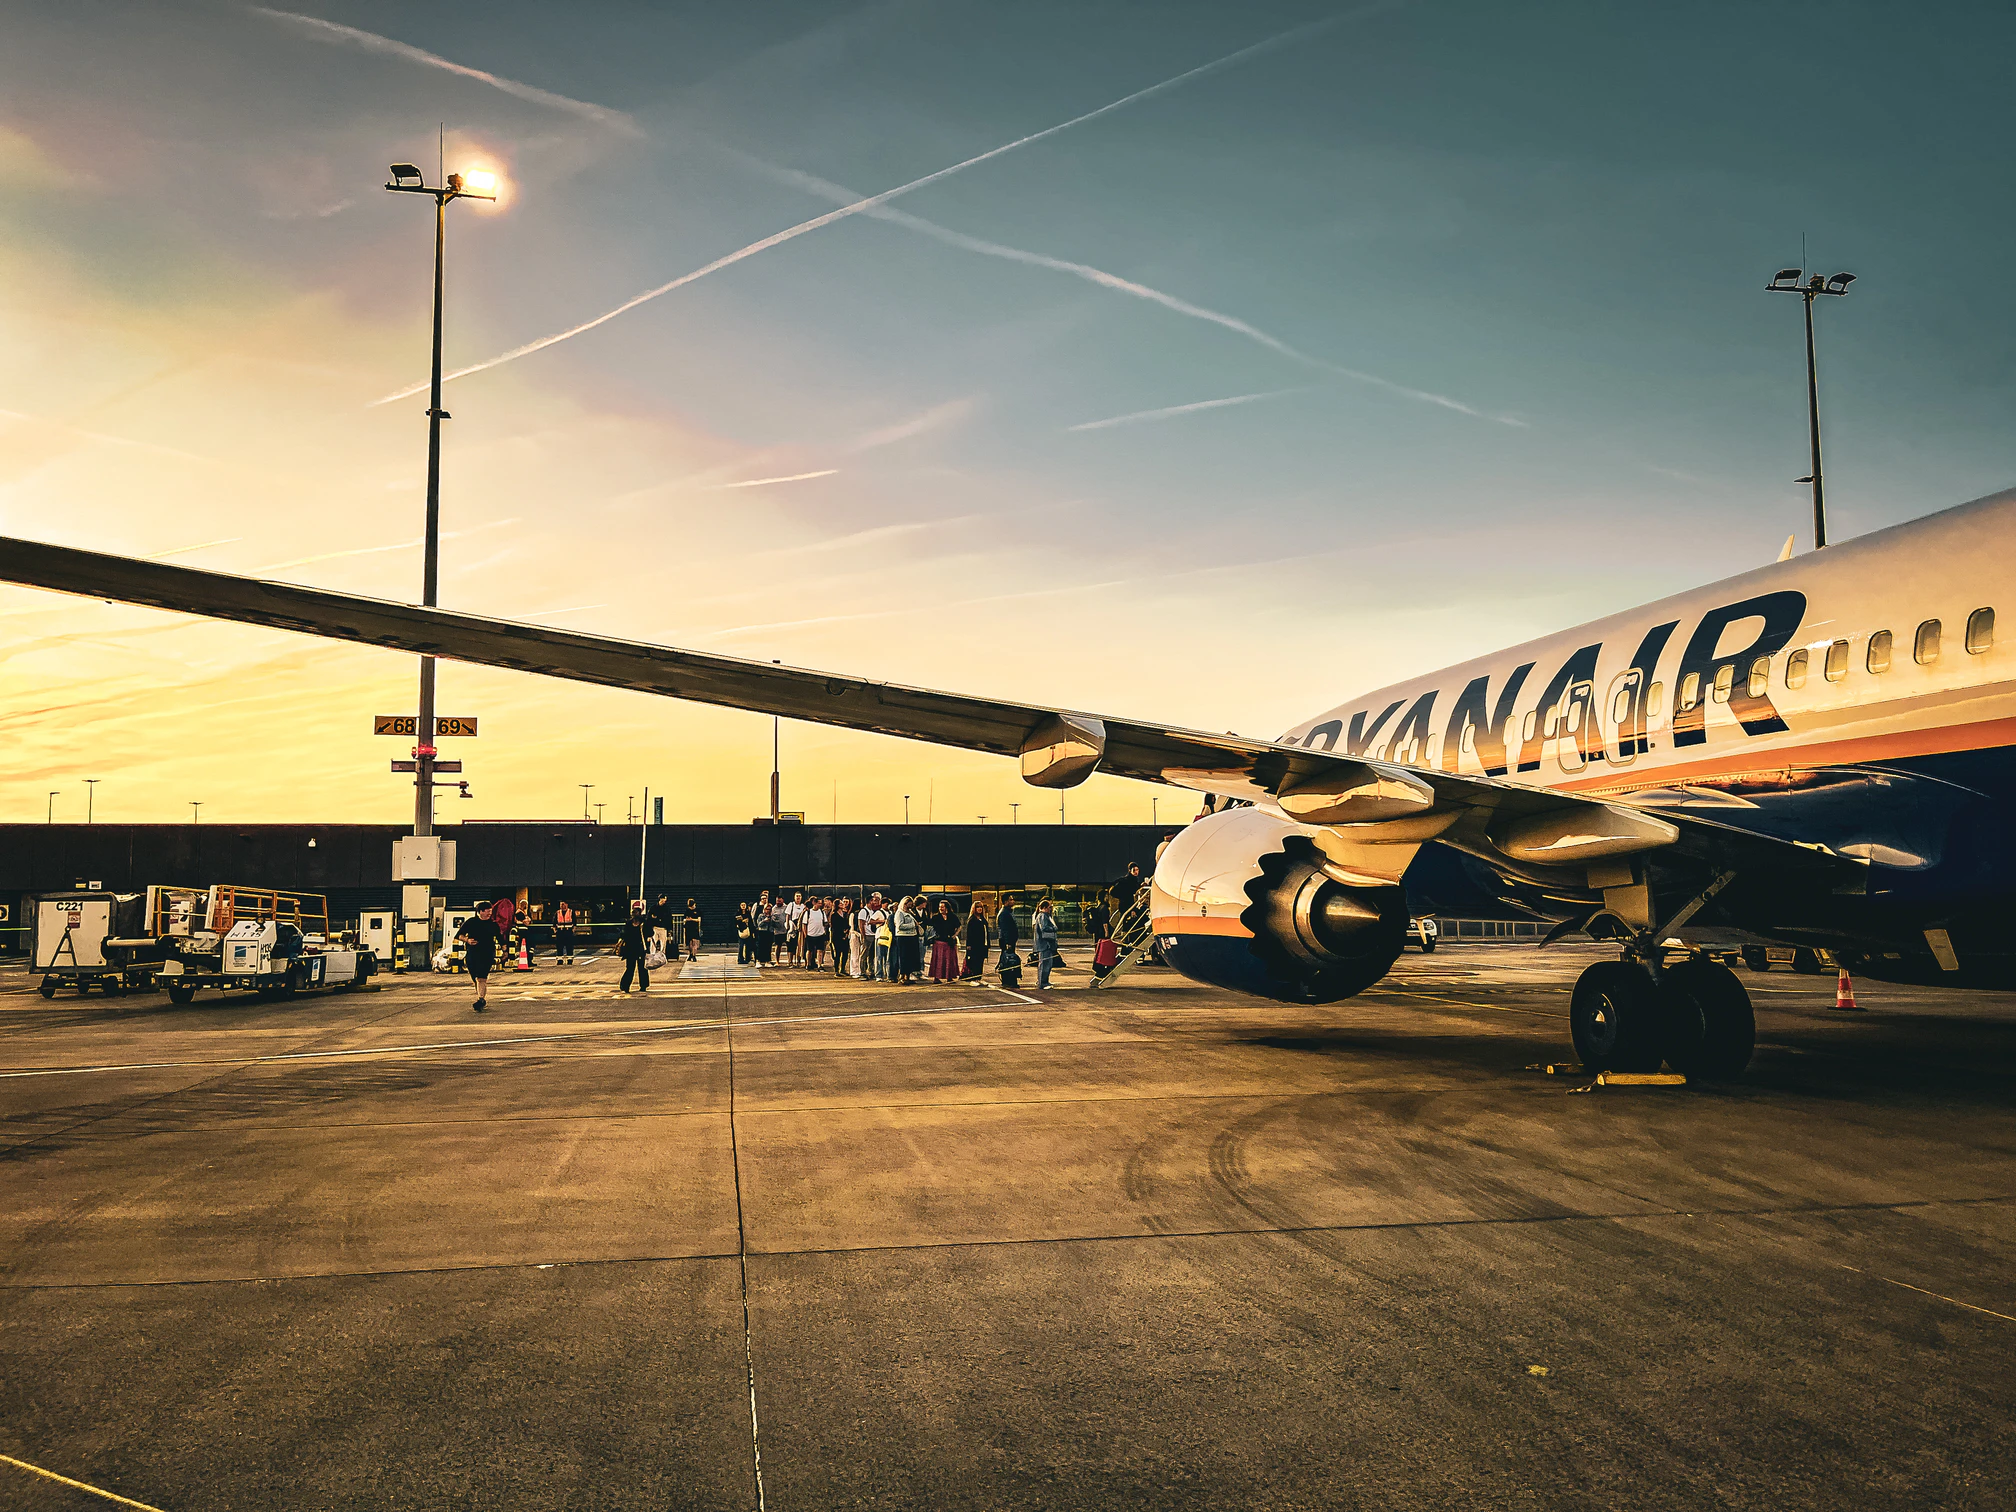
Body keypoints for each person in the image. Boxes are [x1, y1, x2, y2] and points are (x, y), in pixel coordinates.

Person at [455, 901, 505, 1012]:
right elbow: (459, 935)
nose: (489, 914)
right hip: (472, 953)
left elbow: (500, 938)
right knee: (475, 978)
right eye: (487, 912)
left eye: (490, 912)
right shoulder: (471, 922)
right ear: (480, 912)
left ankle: (481, 999)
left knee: (481, 978)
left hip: (487, 954)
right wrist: (467, 940)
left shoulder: (493, 925)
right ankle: (480, 997)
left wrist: (505, 951)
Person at [619, 903, 652, 993]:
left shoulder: (644, 923)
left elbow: (650, 932)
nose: (633, 915)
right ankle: (625, 986)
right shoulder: (629, 923)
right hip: (630, 948)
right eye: (632, 913)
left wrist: (648, 937)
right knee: (630, 968)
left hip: (641, 948)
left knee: (642, 968)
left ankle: (643, 985)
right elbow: (624, 934)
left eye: (635, 913)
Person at [927, 900, 960, 982]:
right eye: (939, 907)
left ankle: (949, 977)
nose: (940, 908)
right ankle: (936, 978)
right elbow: (929, 926)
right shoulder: (936, 917)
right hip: (939, 941)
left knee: (949, 960)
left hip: (949, 941)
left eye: (942, 907)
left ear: (947, 907)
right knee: (938, 960)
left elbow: (959, 926)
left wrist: (954, 935)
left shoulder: (952, 917)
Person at [1033, 897, 1061, 989]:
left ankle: (1044, 981)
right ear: (1044, 907)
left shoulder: (1044, 916)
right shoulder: (1042, 916)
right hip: (1045, 943)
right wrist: (1054, 928)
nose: (1051, 909)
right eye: (1049, 907)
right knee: (1044, 963)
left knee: (1047, 963)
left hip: (1045, 943)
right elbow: (1044, 928)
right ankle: (1042, 982)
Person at [892, 895, 921, 983]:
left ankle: (908, 976)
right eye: (907, 905)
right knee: (903, 957)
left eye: (910, 905)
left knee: (911, 957)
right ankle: (902, 975)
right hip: (903, 937)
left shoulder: (910, 913)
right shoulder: (899, 913)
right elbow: (899, 926)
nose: (908, 907)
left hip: (912, 937)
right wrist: (913, 925)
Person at [860, 894, 889, 980]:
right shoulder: (863, 911)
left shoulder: (872, 911)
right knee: (864, 954)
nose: (876, 902)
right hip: (867, 935)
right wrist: (863, 935)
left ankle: (870, 970)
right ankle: (862, 972)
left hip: (873, 934)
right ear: (869, 901)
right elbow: (861, 924)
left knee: (872, 955)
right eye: (874, 900)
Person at [963, 901, 989, 979]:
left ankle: (978, 976)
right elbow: (969, 934)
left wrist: (988, 944)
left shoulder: (983, 920)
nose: (979, 909)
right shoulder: (972, 920)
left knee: (981, 961)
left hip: (983, 944)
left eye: (980, 907)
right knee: (975, 961)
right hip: (975, 945)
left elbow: (986, 933)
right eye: (977, 907)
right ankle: (974, 976)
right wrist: (968, 945)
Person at [804, 895, 828, 969]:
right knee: (809, 950)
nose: (820, 905)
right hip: (810, 934)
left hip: (820, 934)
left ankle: (819, 965)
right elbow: (804, 924)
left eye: (821, 903)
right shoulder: (808, 912)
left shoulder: (822, 912)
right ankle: (808, 964)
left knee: (820, 950)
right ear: (814, 903)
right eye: (819, 903)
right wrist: (806, 934)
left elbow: (825, 922)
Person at [553, 898, 577, 965]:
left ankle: (569, 959)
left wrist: (573, 930)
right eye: (561, 904)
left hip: (568, 931)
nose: (562, 906)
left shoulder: (571, 912)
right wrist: (555, 930)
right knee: (559, 946)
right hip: (560, 932)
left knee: (569, 946)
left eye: (563, 904)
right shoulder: (557, 912)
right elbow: (554, 922)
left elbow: (574, 922)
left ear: (567, 905)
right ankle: (560, 959)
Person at [752, 890, 773, 966]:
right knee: (759, 946)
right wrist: (756, 927)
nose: (764, 900)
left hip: (769, 931)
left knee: (768, 946)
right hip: (760, 930)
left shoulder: (770, 910)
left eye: (766, 898)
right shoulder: (757, 906)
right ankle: (758, 960)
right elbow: (754, 917)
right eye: (763, 898)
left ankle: (767, 960)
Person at [682, 898, 703, 962]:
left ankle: (694, 955)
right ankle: (690, 954)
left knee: (695, 942)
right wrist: (686, 920)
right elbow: (684, 919)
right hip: (688, 928)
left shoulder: (698, 910)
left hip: (695, 928)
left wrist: (692, 919)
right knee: (690, 943)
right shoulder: (687, 911)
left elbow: (699, 920)